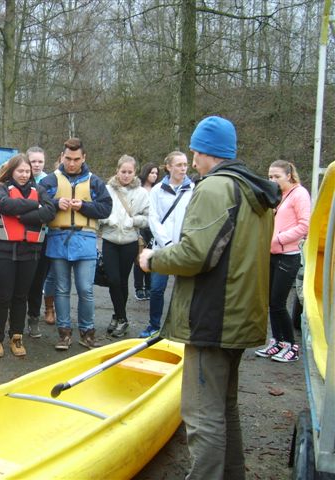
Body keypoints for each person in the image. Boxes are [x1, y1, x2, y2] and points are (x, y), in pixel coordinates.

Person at [139, 115, 280, 479]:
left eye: (195, 150)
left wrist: (153, 258)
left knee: (202, 414)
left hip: (213, 316)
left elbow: (194, 255)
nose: (192, 157)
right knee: (224, 407)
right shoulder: (252, 190)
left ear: (205, 151)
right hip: (239, 314)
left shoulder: (216, 188)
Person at [40, 138, 112, 350]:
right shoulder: (50, 181)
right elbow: (38, 204)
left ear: (84, 158)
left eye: (76, 159)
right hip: (57, 239)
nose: (72, 163)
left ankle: (87, 333)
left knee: (85, 289)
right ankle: (64, 334)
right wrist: (54, 204)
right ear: (62, 157)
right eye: (68, 158)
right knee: (61, 289)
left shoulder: (95, 182)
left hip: (86, 240)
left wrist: (84, 206)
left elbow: (106, 208)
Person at [0, 154, 55, 357]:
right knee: (3, 295)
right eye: (21, 171)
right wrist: (35, 206)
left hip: (30, 252)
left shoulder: (40, 190)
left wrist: (21, 215)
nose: (25, 175)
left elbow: (50, 211)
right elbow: (4, 205)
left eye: (27, 171)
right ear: (12, 171)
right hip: (2, 251)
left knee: (21, 296)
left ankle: (16, 337)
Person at [255, 160, 310, 363]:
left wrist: (278, 239)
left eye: (277, 176)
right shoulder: (277, 196)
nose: (272, 180)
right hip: (272, 253)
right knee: (271, 301)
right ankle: (278, 341)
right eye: (270, 176)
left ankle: (291, 345)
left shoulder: (300, 194)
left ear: (289, 175)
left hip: (288, 255)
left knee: (278, 302)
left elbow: (304, 225)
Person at [138, 151, 194, 338]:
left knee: (183, 290)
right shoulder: (157, 191)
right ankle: (154, 325)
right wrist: (168, 243)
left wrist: (183, 243)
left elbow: (193, 219)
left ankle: (181, 328)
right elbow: (153, 220)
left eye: (185, 164)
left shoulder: (193, 189)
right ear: (168, 167)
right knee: (156, 289)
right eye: (178, 165)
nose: (183, 168)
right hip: (162, 248)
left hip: (184, 248)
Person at [99, 155, 149, 338]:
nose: (126, 175)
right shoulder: (106, 190)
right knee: (112, 279)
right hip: (110, 240)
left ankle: (118, 317)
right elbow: (99, 211)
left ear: (135, 172)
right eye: (123, 171)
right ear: (117, 171)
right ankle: (122, 318)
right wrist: (107, 219)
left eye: (130, 172)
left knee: (121, 280)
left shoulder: (142, 193)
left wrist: (133, 221)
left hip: (129, 242)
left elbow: (148, 217)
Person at [25, 146, 57, 336]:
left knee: (38, 281)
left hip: (43, 237)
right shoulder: (19, 178)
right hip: (21, 238)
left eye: (40, 161)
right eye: (33, 161)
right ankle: (17, 319)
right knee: (21, 282)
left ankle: (34, 318)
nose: (36, 165)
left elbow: (50, 210)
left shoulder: (49, 182)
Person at [133, 162, 159, 301]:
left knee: (151, 257)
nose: (154, 175)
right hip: (141, 227)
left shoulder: (159, 190)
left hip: (154, 228)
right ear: (146, 173)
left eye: (156, 173)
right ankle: (139, 287)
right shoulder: (138, 189)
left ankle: (149, 287)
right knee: (139, 257)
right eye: (151, 173)